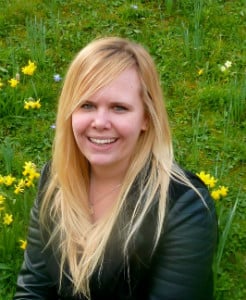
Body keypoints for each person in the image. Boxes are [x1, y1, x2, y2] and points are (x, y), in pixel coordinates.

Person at [14, 37, 217, 300]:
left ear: (146, 117)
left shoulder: (184, 208)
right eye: (86, 105)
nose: (99, 122)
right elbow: (33, 289)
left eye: (119, 108)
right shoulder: (55, 180)